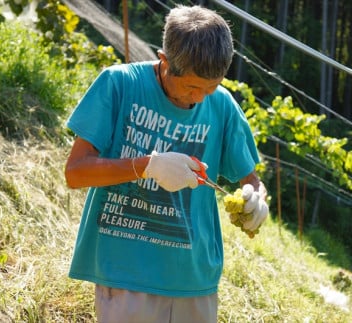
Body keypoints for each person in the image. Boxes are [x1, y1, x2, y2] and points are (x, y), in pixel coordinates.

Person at [63, 4, 269, 323]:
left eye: (210, 87)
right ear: (164, 61)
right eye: (191, 87)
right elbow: (76, 172)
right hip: (126, 275)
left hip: (194, 281)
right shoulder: (119, 85)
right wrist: (145, 166)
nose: (200, 98)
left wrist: (256, 199)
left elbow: (250, 180)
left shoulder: (223, 106)